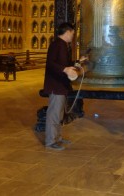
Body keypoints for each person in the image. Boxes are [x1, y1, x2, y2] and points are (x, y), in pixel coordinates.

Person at [43, 22, 78, 151]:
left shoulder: (63, 45)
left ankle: (57, 137)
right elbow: (50, 64)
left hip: (61, 85)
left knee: (59, 114)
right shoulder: (56, 45)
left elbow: (65, 64)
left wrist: (78, 62)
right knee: (54, 114)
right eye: (72, 34)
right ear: (68, 32)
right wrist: (64, 69)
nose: (73, 36)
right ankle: (50, 142)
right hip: (56, 85)